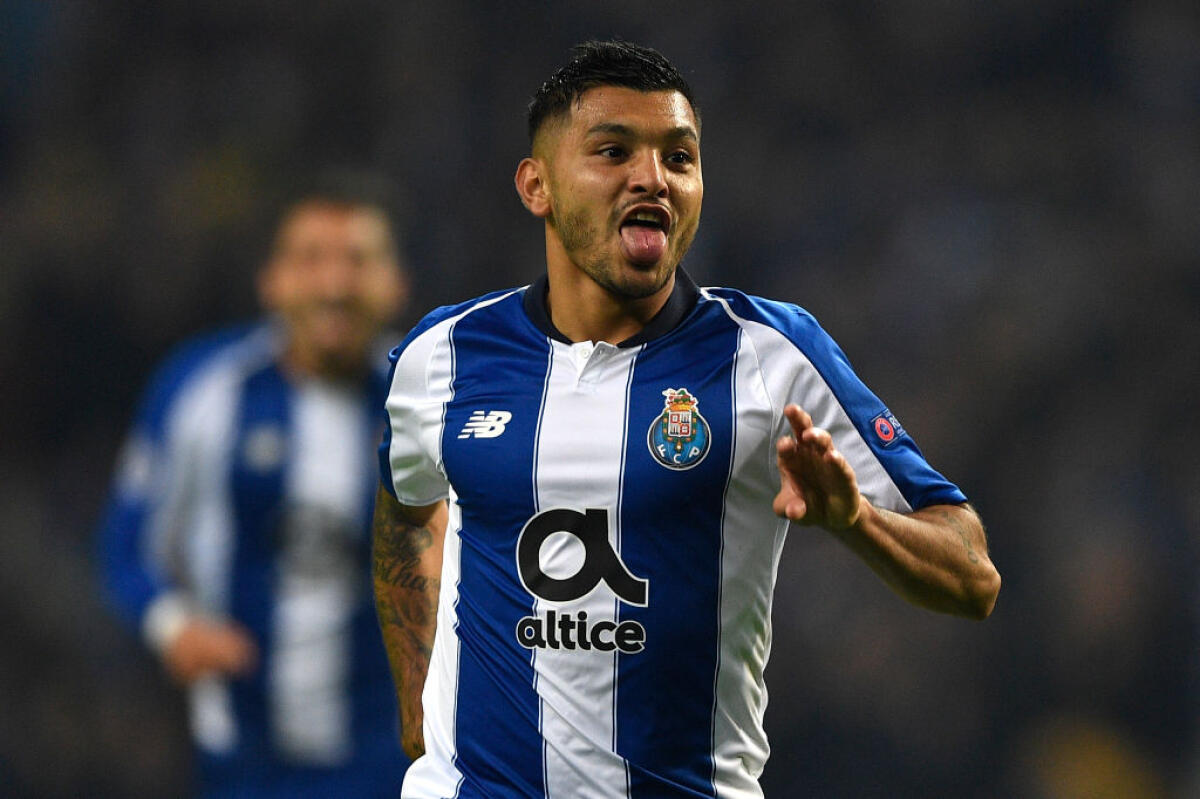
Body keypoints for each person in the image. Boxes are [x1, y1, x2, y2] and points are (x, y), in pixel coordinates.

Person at [373, 41, 1001, 799]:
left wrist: (855, 519)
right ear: (536, 186)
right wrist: (417, 701)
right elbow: (408, 509)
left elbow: (972, 574)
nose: (653, 177)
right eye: (613, 151)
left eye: (680, 157)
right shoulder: (444, 355)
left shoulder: (769, 353)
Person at [98, 172, 412, 797]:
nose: (335, 284)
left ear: (394, 284)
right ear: (272, 281)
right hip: (245, 759)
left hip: (395, 760)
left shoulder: (430, 402)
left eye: (358, 261)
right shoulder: (203, 389)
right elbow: (126, 543)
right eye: (311, 260)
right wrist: (173, 627)